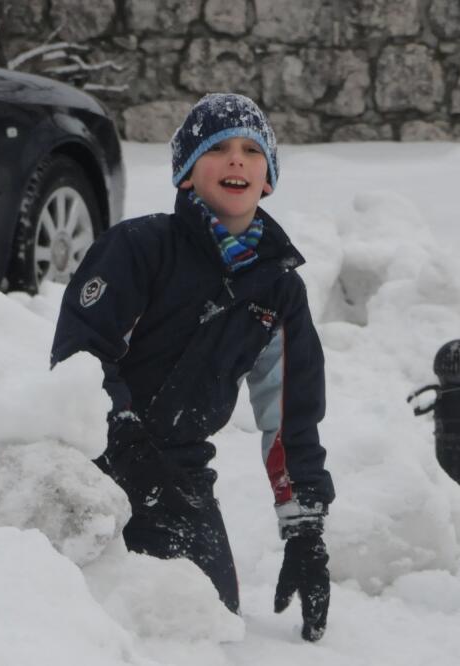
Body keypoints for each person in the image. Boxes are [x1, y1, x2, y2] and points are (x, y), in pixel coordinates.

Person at [51, 93, 334, 641]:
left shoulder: (278, 288)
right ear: (186, 172)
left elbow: (291, 411)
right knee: (89, 620)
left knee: (207, 618)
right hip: (92, 461)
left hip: (180, 478)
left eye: (252, 151)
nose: (236, 161)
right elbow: (80, 356)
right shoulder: (138, 248)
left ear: (268, 177)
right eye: (218, 148)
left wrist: (305, 530)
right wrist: (125, 445)